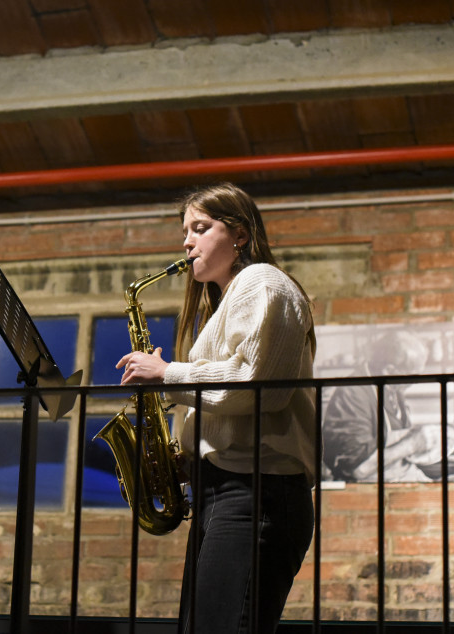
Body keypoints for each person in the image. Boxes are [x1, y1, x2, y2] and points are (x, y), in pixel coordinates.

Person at [117, 183, 317, 634]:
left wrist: (168, 375)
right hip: (229, 492)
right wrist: (190, 458)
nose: (187, 242)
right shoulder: (231, 299)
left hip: (256, 493)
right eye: (185, 232)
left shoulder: (263, 282)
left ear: (240, 235)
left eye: (201, 228)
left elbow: (258, 386)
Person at [322, 331, 437, 482]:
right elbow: (358, 469)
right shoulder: (353, 393)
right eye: (413, 376)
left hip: (400, 478)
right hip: (368, 488)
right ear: (389, 370)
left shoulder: (391, 387)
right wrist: (412, 444)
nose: (414, 383)